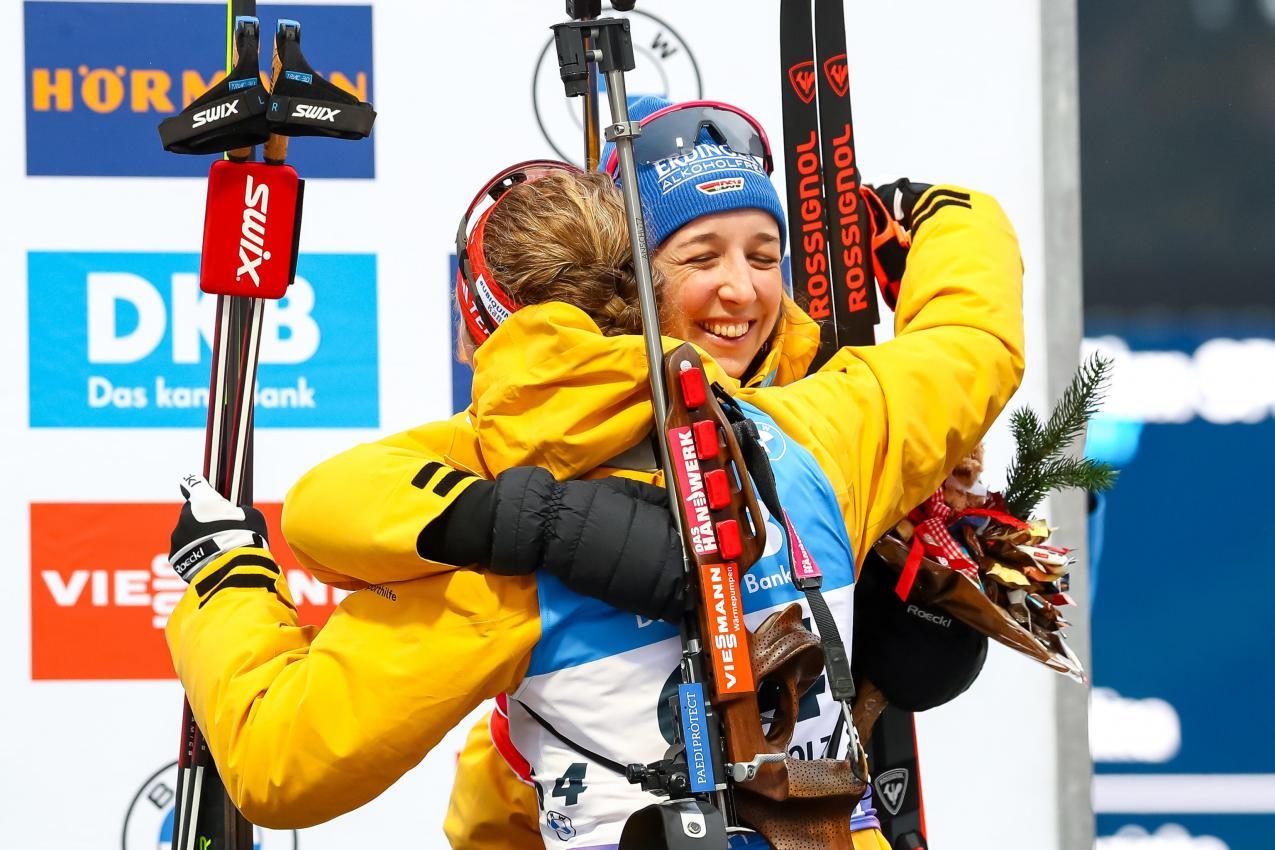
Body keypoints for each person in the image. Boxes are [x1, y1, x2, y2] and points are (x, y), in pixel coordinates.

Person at [166, 96, 1023, 848]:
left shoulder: (492, 573)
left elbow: (281, 763)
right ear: (650, 286)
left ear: (478, 333)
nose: (740, 288)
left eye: (761, 257)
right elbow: (972, 346)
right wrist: (945, 215)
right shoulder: (825, 430)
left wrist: (226, 580)